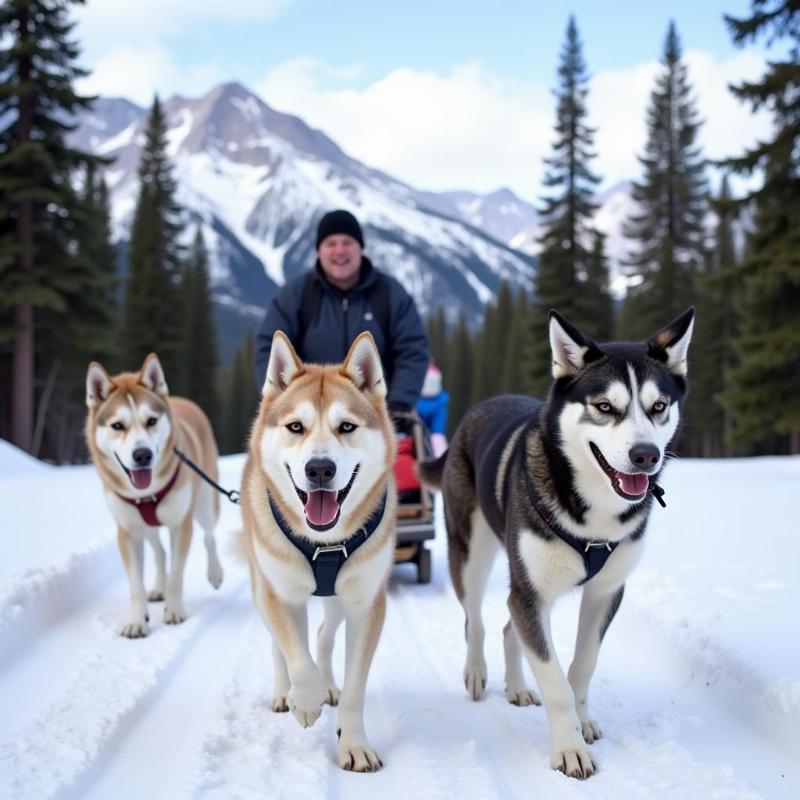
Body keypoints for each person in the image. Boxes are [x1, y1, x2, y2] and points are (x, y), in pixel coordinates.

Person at [254, 209, 429, 419]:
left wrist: (400, 403)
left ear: (360, 248)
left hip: (377, 417)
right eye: (331, 243)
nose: (339, 250)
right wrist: (284, 401)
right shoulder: (296, 295)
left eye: (347, 242)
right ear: (319, 250)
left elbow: (412, 350)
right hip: (309, 417)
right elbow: (270, 349)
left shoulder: (390, 294)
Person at [416, 362, 449, 456]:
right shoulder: (442, 400)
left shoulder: (441, 400)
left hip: (418, 403)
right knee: (438, 437)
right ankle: (441, 459)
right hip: (434, 405)